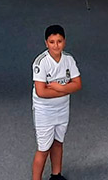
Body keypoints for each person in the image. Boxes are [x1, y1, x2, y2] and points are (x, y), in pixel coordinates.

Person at [32, 25, 82, 180]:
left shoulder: (69, 60)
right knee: (43, 148)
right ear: (46, 43)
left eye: (59, 41)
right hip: (44, 112)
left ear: (64, 42)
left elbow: (78, 84)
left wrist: (59, 87)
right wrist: (67, 88)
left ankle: (56, 175)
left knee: (58, 142)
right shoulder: (41, 63)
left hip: (62, 109)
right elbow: (41, 92)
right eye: (52, 42)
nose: (56, 45)